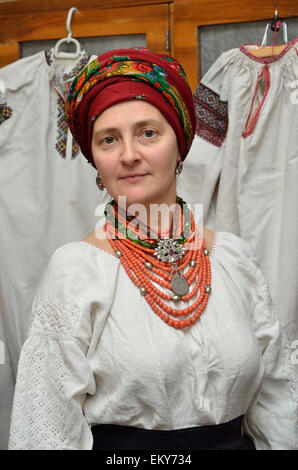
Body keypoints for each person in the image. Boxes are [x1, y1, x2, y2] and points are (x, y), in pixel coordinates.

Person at [8, 48, 298, 450]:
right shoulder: (77, 272)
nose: (129, 155)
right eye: (109, 139)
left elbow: (278, 405)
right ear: (94, 158)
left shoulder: (234, 260)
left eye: (148, 133)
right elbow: (46, 433)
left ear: (180, 144)